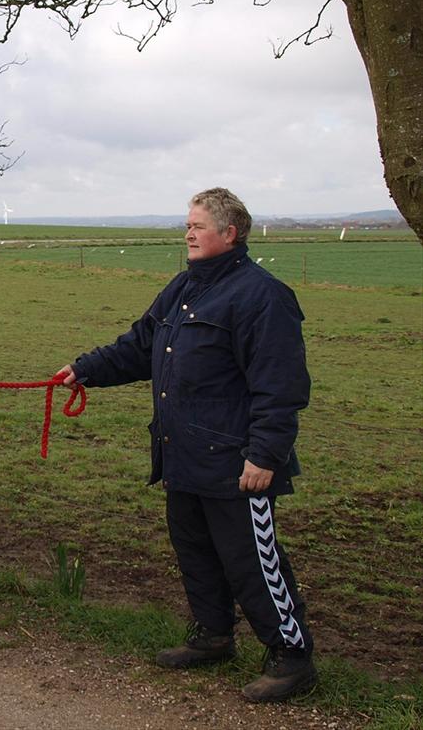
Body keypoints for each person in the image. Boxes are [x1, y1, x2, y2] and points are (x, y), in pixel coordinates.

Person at [56, 187, 317, 703]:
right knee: (195, 550)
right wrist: (85, 369)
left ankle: (291, 655)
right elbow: (140, 345)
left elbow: (280, 382)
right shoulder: (183, 289)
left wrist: (265, 453)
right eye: (187, 225)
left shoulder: (262, 296)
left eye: (198, 226)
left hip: (237, 461)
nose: (189, 233)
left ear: (230, 233)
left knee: (250, 559)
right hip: (181, 451)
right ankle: (212, 636)